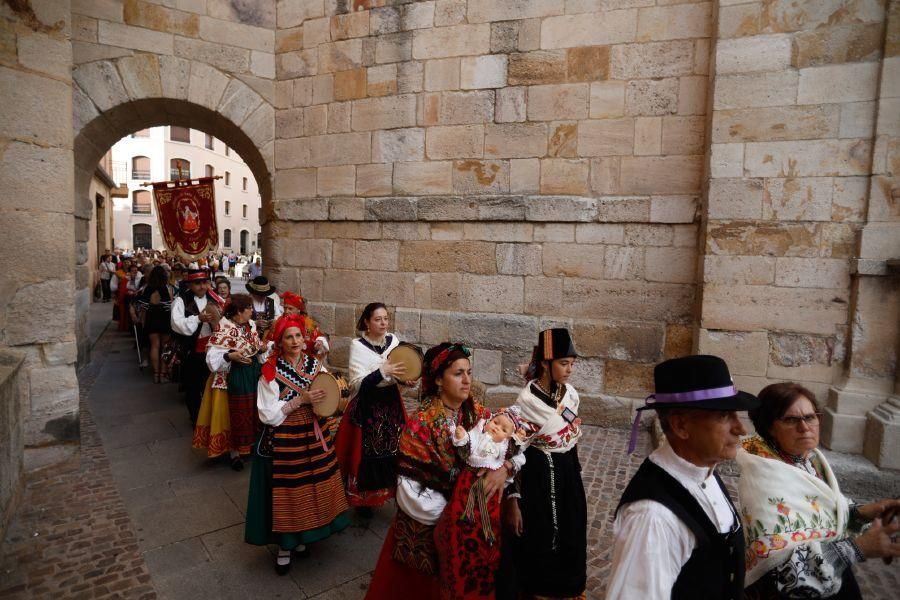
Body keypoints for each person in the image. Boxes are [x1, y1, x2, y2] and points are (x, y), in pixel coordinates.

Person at [607, 354, 759, 599]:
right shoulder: (653, 519)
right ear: (680, 426)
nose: (740, 428)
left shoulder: (705, 469)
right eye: (723, 416)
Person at [366, 343, 511, 600]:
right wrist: (453, 513)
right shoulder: (422, 423)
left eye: (469, 372)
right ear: (438, 380)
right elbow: (408, 491)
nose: (467, 380)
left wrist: (505, 469)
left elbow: (504, 448)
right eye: (458, 373)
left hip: (467, 526)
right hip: (430, 527)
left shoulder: (477, 413)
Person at [737, 382, 900, 599]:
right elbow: (783, 574)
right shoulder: (764, 479)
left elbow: (821, 510)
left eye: (810, 417)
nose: (805, 427)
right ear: (769, 428)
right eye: (790, 420)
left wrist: (859, 512)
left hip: (834, 576)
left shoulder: (809, 458)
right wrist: (858, 547)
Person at [244, 314, 350, 575]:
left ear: (305, 340)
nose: (294, 341)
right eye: (288, 337)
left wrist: (329, 400)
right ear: (279, 341)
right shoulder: (270, 371)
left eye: (298, 336)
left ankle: (304, 536)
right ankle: (285, 546)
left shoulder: (315, 365)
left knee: (314, 485)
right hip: (286, 437)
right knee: (290, 490)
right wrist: (299, 401)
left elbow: (331, 393)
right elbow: (266, 413)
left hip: (314, 434)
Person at [503, 328, 586, 599]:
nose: (570, 369)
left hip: (568, 473)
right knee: (543, 535)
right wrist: (513, 500)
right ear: (546, 365)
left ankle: (570, 588)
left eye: (572, 364)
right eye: (564, 363)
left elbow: (571, 430)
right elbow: (513, 450)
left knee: (572, 528)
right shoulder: (527, 402)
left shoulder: (570, 394)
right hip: (539, 475)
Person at [438, 408, 526, 599]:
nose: (496, 428)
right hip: (466, 486)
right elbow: (465, 448)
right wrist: (461, 437)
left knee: (486, 531)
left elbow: (518, 455)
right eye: (495, 422)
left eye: (503, 429)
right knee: (457, 522)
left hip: (489, 497)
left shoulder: (505, 449)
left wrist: (516, 443)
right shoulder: (478, 435)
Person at [335, 303, 409, 513]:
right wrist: (382, 370)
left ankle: (394, 494)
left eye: (386, 318)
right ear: (367, 322)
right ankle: (365, 501)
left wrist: (406, 380)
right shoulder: (357, 345)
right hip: (368, 406)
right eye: (378, 319)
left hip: (391, 404)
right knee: (367, 453)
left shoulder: (393, 341)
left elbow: (402, 369)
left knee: (395, 449)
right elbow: (358, 384)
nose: (384, 323)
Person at [193, 294, 266, 470]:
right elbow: (211, 358)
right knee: (231, 414)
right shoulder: (223, 328)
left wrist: (262, 348)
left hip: (251, 375)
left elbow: (256, 346)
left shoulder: (251, 325)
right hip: (229, 378)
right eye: (248, 308)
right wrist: (229, 355)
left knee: (250, 412)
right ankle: (234, 453)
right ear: (238, 312)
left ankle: (248, 446)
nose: (252, 311)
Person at [170, 269, 225, 425]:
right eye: (197, 283)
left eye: (204, 282)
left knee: (210, 385)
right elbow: (177, 324)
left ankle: (211, 417)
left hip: (212, 349)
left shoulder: (214, 298)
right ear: (189, 284)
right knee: (193, 387)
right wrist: (198, 318)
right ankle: (196, 419)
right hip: (192, 350)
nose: (201, 286)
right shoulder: (181, 300)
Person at [135, 266, 176, 383]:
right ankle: (163, 375)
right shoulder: (166, 288)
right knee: (165, 347)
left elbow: (143, 306)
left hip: (152, 319)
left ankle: (156, 374)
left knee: (154, 346)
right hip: (164, 319)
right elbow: (169, 306)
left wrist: (142, 320)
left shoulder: (148, 288)